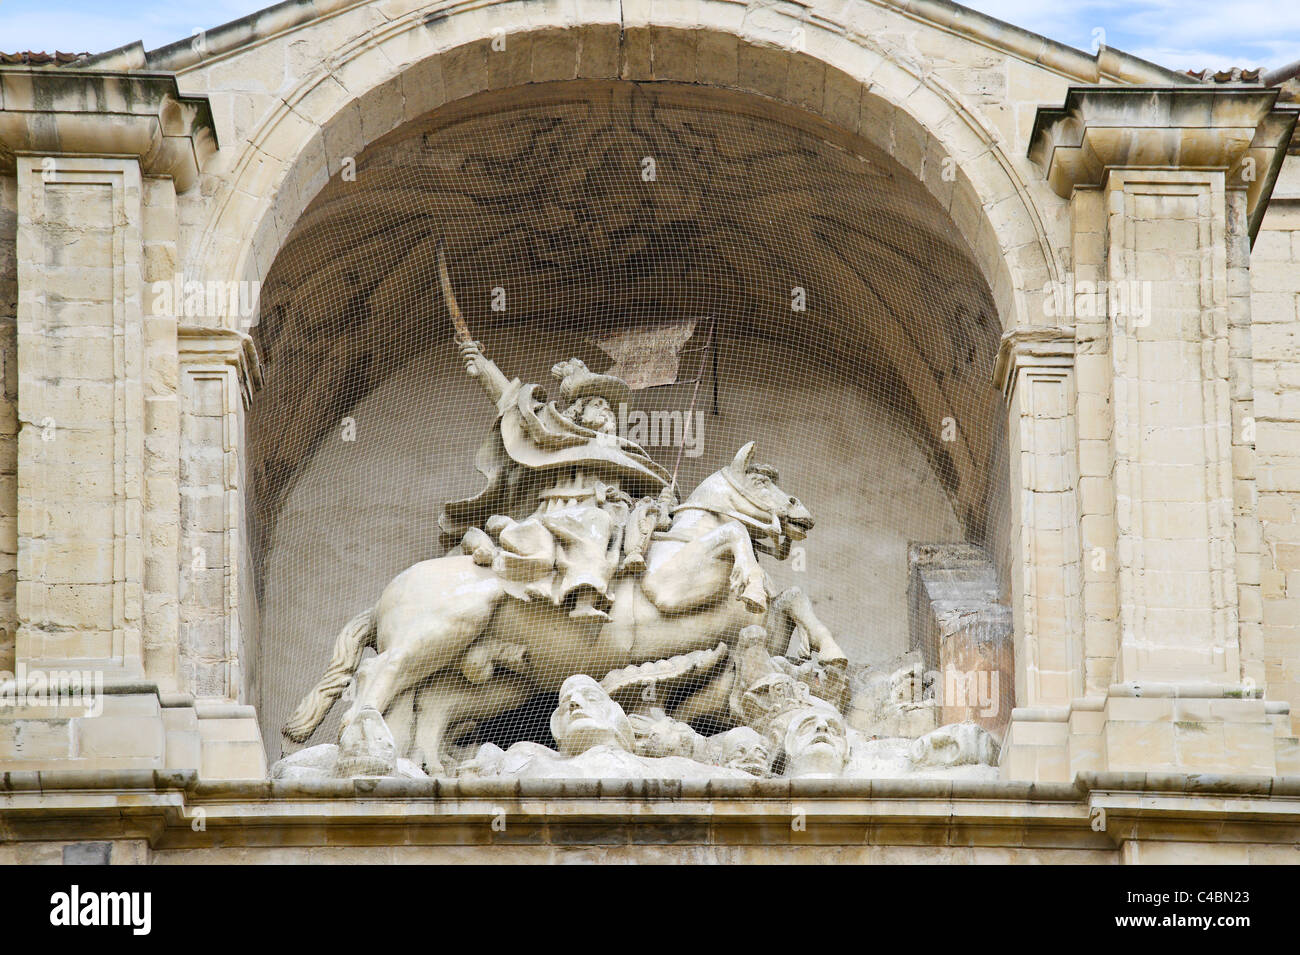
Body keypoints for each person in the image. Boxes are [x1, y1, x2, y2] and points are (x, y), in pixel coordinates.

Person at [444, 341, 672, 619]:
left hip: (612, 518)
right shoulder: (557, 435)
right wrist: (482, 367)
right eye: (599, 404)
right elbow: (516, 406)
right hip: (562, 511)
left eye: (610, 409)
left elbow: (649, 485)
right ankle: (582, 600)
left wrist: (662, 501)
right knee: (595, 523)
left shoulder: (622, 450)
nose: (606, 412)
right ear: (577, 411)